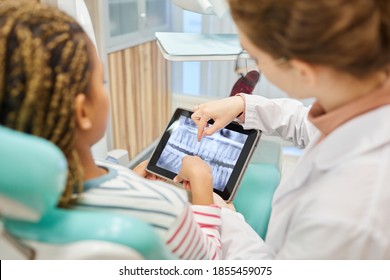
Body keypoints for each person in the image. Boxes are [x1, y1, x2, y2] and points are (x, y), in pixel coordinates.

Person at [0, 0, 225, 260]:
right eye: (101, 81)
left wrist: (127, 180)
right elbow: (210, 264)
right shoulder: (166, 209)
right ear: (82, 111)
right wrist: (202, 185)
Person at [189, 0, 390, 259]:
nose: (251, 66)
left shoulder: (347, 213)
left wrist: (221, 216)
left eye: (254, 57)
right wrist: (242, 104)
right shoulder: (364, 96)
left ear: (302, 71)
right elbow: (309, 125)